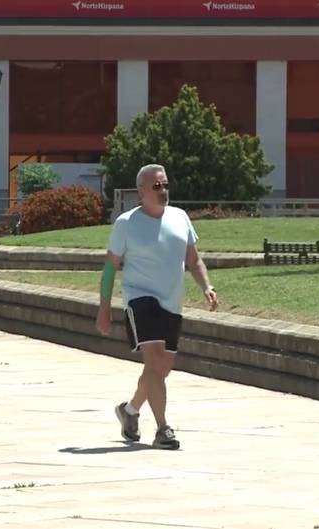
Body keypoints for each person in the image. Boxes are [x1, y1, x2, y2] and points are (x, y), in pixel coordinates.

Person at [95, 164, 219, 449]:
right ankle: (163, 429)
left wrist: (206, 287)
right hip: (140, 299)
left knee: (161, 368)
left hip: (171, 302)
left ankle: (130, 410)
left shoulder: (180, 217)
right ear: (141, 192)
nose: (163, 191)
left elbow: (193, 259)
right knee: (154, 361)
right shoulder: (127, 223)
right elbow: (110, 268)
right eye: (156, 187)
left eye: (165, 185)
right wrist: (104, 308)